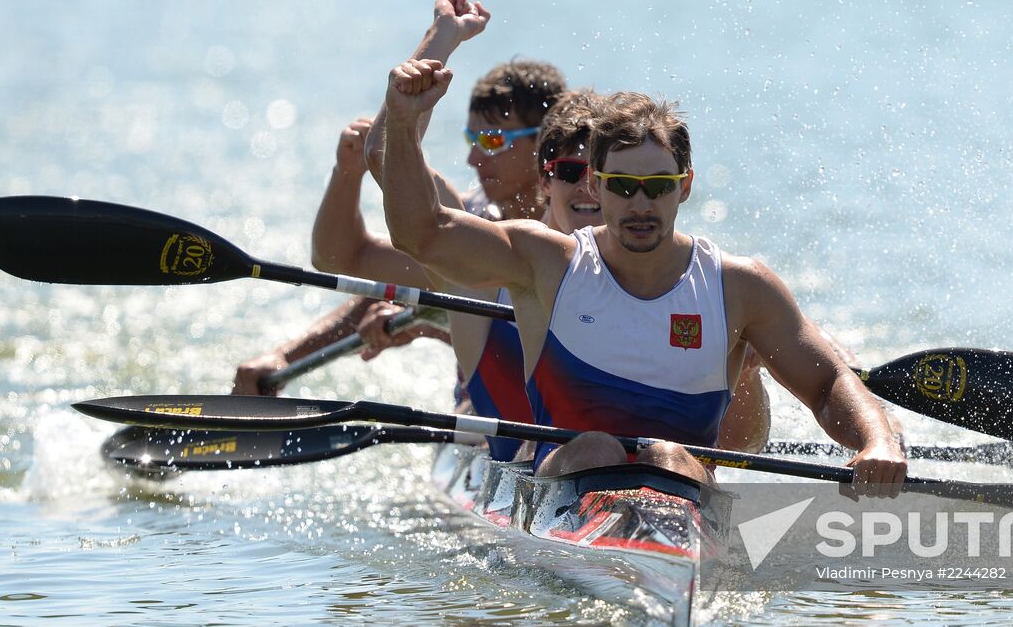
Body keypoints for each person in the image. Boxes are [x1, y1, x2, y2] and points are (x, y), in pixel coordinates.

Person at [379, 61, 908, 496]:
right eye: (625, 186)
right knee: (597, 447)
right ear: (599, 186)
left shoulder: (739, 287)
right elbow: (422, 234)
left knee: (669, 455)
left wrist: (877, 441)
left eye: (658, 186)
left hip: (681, 485)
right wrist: (403, 123)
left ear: (685, 186)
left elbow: (828, 381)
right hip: (563, 480)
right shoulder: (547, 262)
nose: (640, 204)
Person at [231, 0, 564, 397]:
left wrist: (436, 322)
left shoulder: (586, 215)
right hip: (490, 424)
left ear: (546, 142)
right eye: (472, 138)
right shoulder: (471, 217)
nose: (474, 158)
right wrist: (287, 357)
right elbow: (342, 258)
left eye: (493, 140)